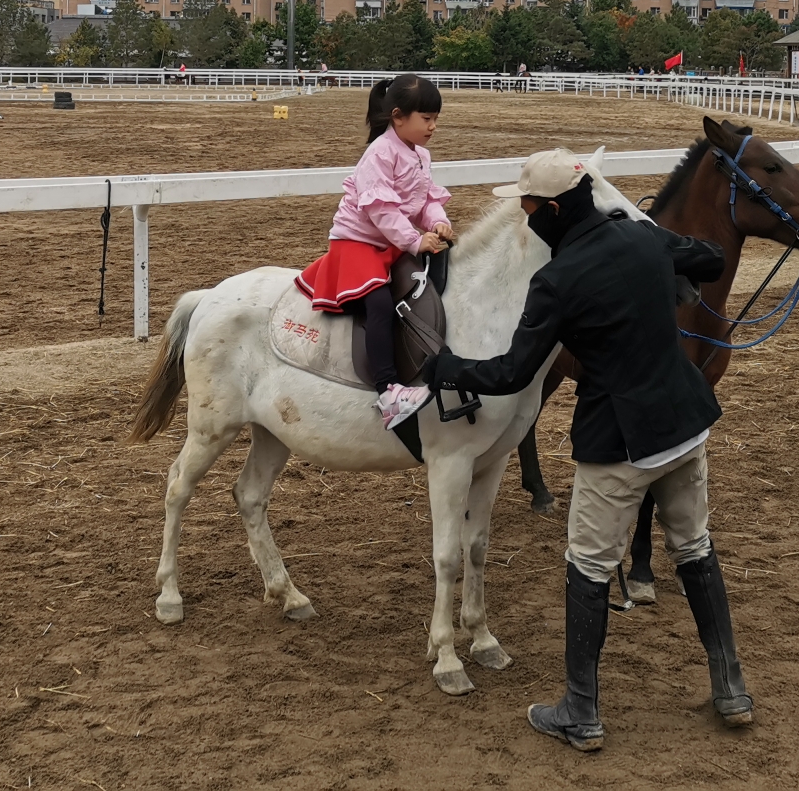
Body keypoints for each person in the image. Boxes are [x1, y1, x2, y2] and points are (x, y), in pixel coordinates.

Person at [419, 149, 747, 753]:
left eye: (530, 208)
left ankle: (581, 709)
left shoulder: (558, 280)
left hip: (619, 441)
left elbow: (514, 372)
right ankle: (731, 686)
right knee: (696, 552)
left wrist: (444, 365)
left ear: (550, 210)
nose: (528, 217)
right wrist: (670, 253)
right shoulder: (644, 240)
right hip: (687, 423)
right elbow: (710, 256)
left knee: (588, 567)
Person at [294, 76, 457, 430]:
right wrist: (415, 242)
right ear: (398, 117)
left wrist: (438, 222)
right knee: (380, 303)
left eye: (435, 119)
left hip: (388, 242)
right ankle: (387, 392)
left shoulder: (420, 155)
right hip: (357, 242)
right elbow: (381, 210)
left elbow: (425, 201)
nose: (433, 126)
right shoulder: (379, 154)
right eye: (426, 118)